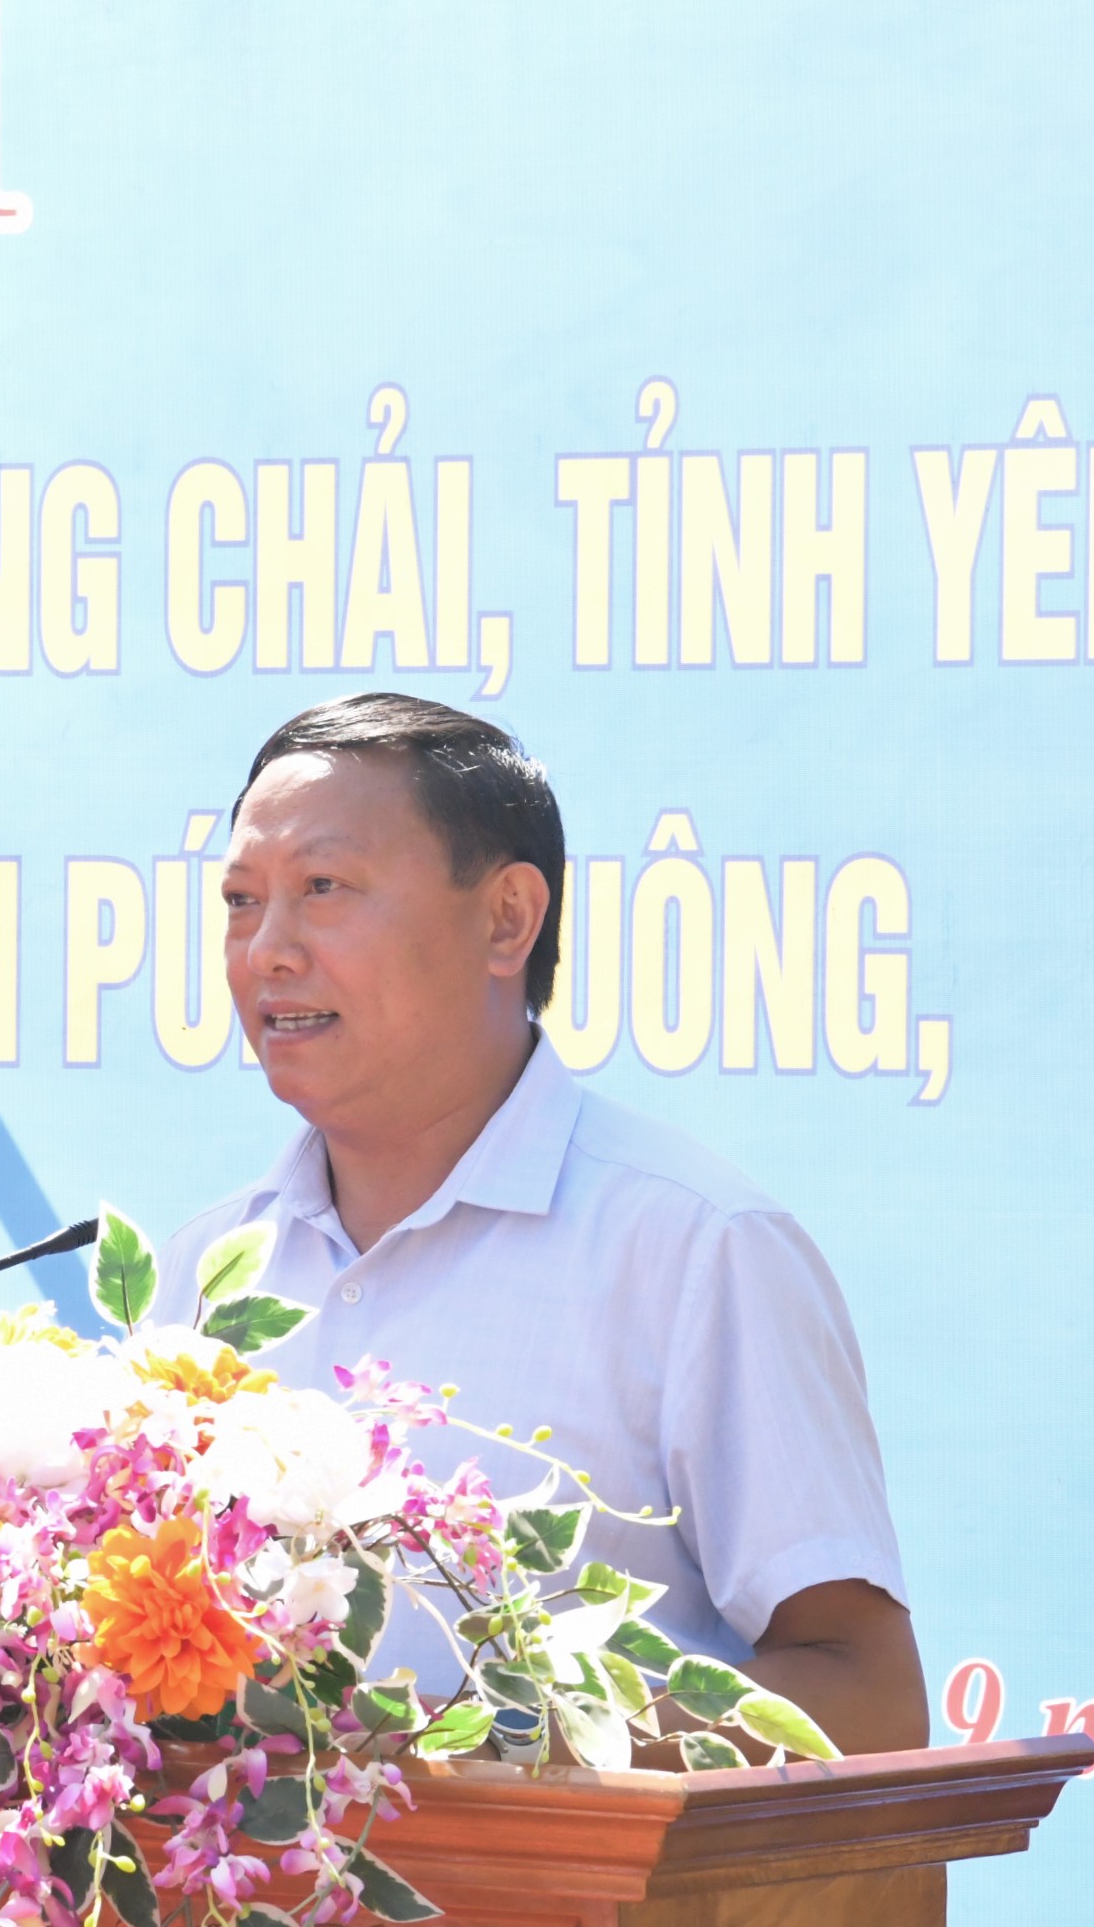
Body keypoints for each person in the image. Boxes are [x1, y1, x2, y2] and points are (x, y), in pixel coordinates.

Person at [149, 693, 927, 1757]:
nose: (267, 951)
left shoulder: (695, 1248)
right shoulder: (208, 1269)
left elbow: (867, 1697)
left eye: (324, 888)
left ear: (507, 917)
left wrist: (486, 1755)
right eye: (243, 901)